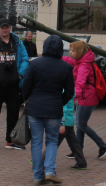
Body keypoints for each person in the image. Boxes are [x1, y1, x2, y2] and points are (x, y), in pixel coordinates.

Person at [23, 35, 75, 184]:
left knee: (36, 142)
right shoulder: (65, 67)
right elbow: (70, 91)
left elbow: (26, 86)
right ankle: (50, 170)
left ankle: (38, 175)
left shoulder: (35, 64)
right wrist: (60, 101)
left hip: (35, 108)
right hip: (54, 108)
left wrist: (28, 100)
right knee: (52, 140)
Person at [0, 18, 29, 151]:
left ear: (10, 28)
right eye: (2, 27)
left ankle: (11, 140)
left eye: (7, 27)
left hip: (14, 85)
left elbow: (25, 59)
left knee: (13, 114)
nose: (4, 29)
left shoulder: (18, 43)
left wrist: (20, 74)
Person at [62, 41, 106, 160]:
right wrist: (61, 57)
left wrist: (74, 96)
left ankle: (102, 145)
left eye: (73, 51)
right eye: (70, 51)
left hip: (87, 97)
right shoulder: (83, 61)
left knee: (81, 124)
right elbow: (72, 61)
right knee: (80, 124)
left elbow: (80, 82)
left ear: (79, 52)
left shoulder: (84, 65)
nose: (70, 53)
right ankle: (78, 150)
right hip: (85, 96)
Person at [58, 92, 87, 170]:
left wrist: (62, 122)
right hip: (69, 119)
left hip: (65, 120)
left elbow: (64, 107)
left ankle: (41, 161)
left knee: (54, 142)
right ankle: (81, 162)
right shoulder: (70, 90)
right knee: (73, 143)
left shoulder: (63, 91)